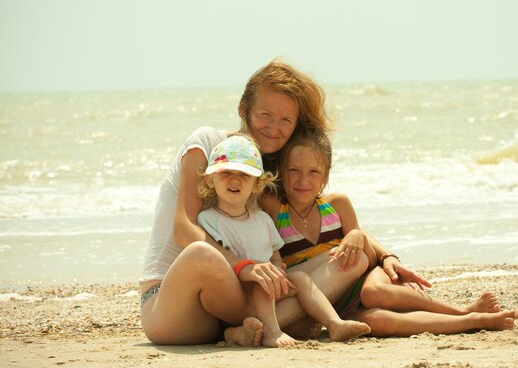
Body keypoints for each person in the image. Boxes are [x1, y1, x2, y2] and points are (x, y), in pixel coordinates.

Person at [139, 60, 369, 345]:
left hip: (237, 302)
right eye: (265, 115)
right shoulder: (207, 143)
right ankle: (282, 320)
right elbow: (183, 229)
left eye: (286, 120)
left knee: (353, 259)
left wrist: (374, 248)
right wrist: (244, 267)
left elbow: (305, 218)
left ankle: (252, 330)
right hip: (172, 305)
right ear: (243, 110)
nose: (275, 127)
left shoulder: (266, 176)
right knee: (202, 253)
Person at [260, 130, 518, 337]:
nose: (303, 179)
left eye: (313, 172)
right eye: (294, 170)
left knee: (374, 294)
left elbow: (362, 242)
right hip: (335, 304)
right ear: (282, 172)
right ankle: (473, 322)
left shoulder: (337, 203)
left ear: (325, 175)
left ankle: (461, 311)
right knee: (380, 323)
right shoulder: (275, 209)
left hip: (366, 279)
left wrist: (358, 237)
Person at [195, 134, 371, 347]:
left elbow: (274, 255)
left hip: (269, 285)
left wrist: (278, 270)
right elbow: (215, 263)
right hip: (239, 289)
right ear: (209, 179)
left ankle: (334, 323)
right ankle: (272, 331)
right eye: (226, 173)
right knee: (265, 281)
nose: (235, 180)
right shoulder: (208, 219)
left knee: (299, 278)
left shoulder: (262, 218)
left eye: (244, 175)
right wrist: (252, 272)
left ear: (257, 184)